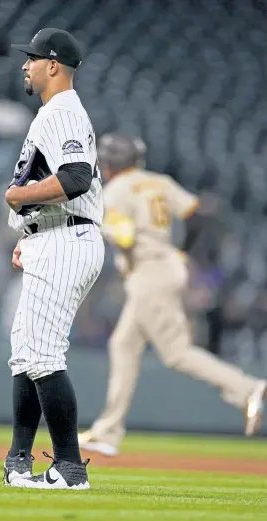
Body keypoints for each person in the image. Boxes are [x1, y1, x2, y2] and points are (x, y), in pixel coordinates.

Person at [78, 134, 266, 457]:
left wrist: (103, 228)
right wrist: (179, 251)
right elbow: (199, 214)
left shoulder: (115, 191)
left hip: (149, 274)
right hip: (165, 267)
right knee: (123, 344)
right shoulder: (158, 181)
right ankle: (108, 432)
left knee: (177, 353)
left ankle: (247, 388)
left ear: (108, 164)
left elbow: (124, 238)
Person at [3, 28, 104, 489]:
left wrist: (20, 195)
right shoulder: (53, 112)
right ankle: (19, 460)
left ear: (53, 65)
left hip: (67, 238)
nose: (25, 65)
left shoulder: (62, 110)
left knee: (43, 355)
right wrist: (30, 231)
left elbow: (77, 176)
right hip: (52, 237)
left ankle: (68, 466)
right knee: (26, 354)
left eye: (32, 58)